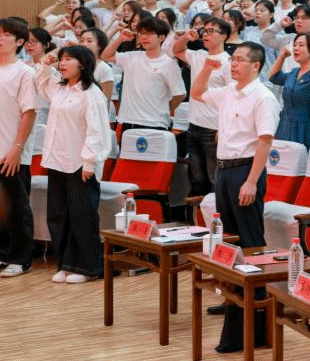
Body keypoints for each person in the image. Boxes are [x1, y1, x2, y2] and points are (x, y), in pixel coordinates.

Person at [192, 42, 281, 353]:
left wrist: (252, 182)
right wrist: (206, 69)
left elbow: (264, 142)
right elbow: (197, 93)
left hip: (245, 172)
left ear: (256, 66)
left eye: (240, 60)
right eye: (233, 59)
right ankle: (232, 300)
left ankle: (256, 323)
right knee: (228, 240)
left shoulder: (263, 97)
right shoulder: (228, 91)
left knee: (250, 243)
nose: (234, 64)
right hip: (224, 171)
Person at [36, 45, 112, 284]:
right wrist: (46, 62)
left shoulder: (91, 94)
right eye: (61, 59)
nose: (63, 63)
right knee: (59, 216)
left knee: (82, 216)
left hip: (80, 164)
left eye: (68, 59)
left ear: (83, 64)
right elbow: (41, 83)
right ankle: (66, 264)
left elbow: (97, 131)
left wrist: (89, 162)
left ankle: (89, 268)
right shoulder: (60, 88)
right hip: (57, 160)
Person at [173, 17, 233, 198]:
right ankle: (197, 215)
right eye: (204, 31)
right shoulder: (198, 55)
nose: (206, 34)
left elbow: (231, 98)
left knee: (214, 178)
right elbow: (176, 50)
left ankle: (217, 214)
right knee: (197, 179)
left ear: (224, 36)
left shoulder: (228, 62)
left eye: (211, 31)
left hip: (214, 128)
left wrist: (223, 127)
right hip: (194, 125)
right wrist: (186, 37)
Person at [104, 15, 186, 135]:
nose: (144, 37)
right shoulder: (131, 57)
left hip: (156, 124)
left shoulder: (169, 64)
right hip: (129, 121)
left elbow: (180, 94)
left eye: (150, 33)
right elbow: (105, 56)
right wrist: (120, 39)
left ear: (161, 37)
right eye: (142, 33)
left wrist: (164, 109)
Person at [0, 18, 37, 277]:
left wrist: (17, 147)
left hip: (12, 152)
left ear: (20, 41)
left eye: (6, 35)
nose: (0, 38)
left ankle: (21, 258)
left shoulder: (25, 72)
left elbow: (29, 112)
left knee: (16, 207)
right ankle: (2, 254)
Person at [269, 32, 310, 147]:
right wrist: (282, 57)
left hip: (306, 130)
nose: (296, 48)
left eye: (301, 45)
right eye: (295, 45)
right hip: (285, 126)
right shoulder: (294, 73)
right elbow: (273, 77)